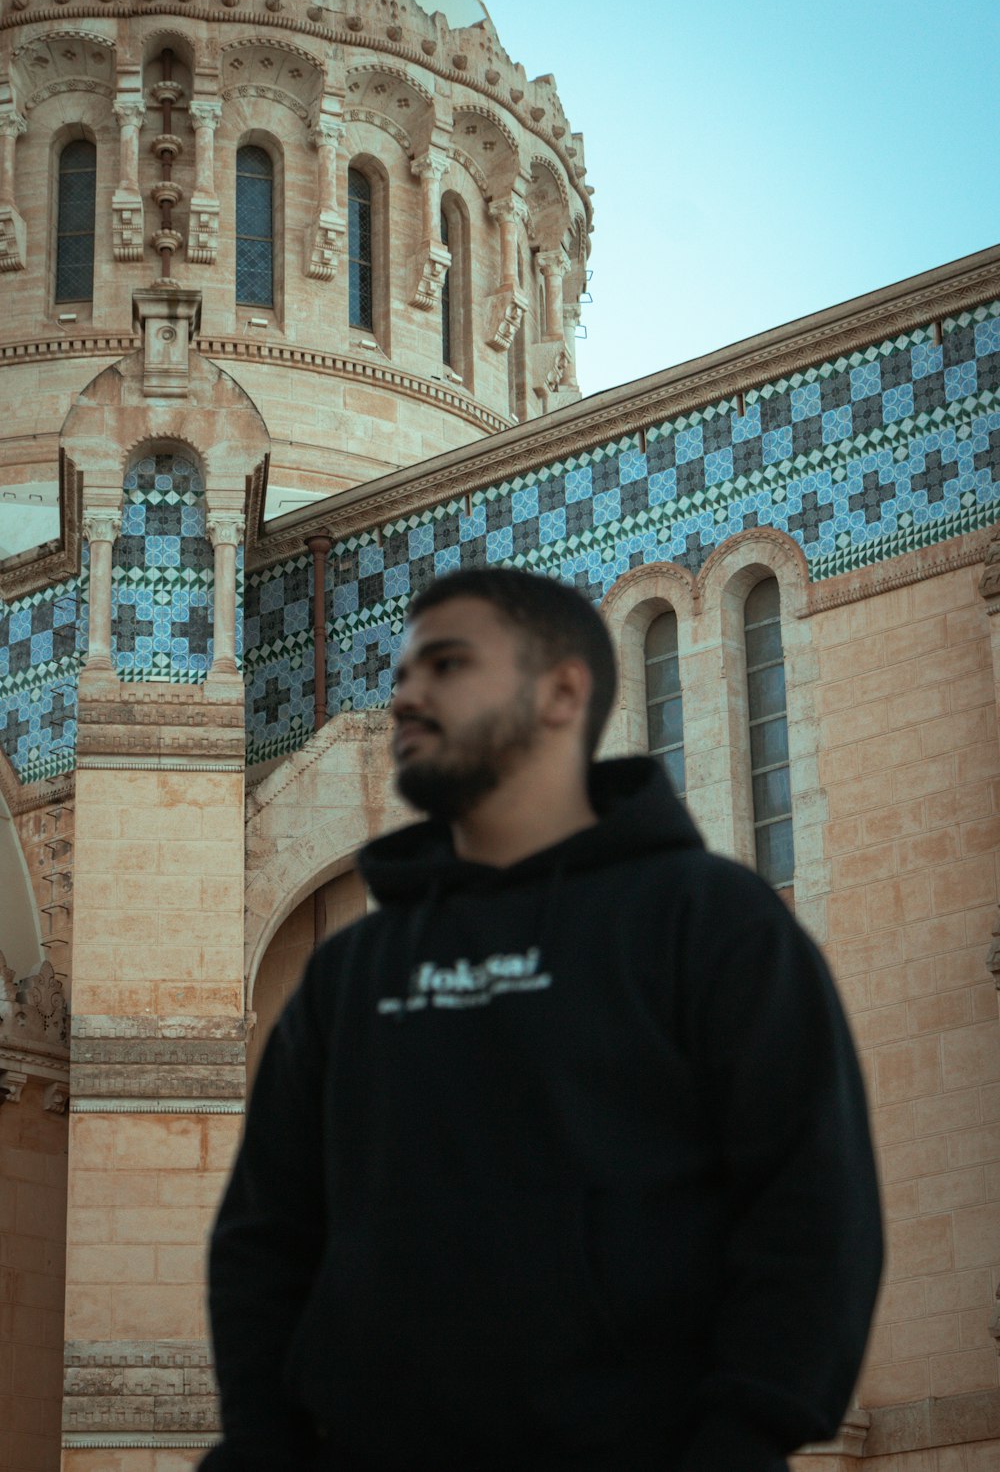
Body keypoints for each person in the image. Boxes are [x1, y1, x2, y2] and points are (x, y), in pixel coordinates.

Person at [203, 566, 883, 1472]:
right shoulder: (354, 971)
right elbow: (265, 1239)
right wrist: (264, 1447)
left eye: (446, 665)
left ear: (563, 690)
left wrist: (742, 1438)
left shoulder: (709, 922)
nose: (405, 695)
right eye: (403, 672)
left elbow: (812, 1205)